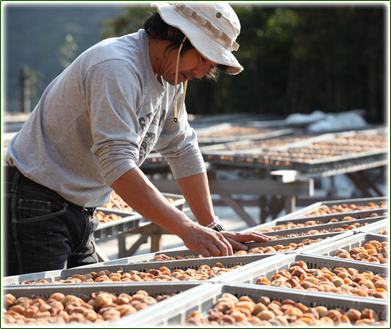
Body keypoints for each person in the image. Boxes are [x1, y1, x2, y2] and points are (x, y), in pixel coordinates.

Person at [3, 2, 271, 276]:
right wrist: (185, 228)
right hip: (36, 200)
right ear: (176, 35)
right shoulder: (117, 67)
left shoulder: (171, 77)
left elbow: (182, 148)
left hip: (81, 206)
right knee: (42, 307)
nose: (201, 73)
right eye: (202, 58)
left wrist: (212, 227)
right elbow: (117, 161)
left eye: (210, 64)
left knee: (79, 303)